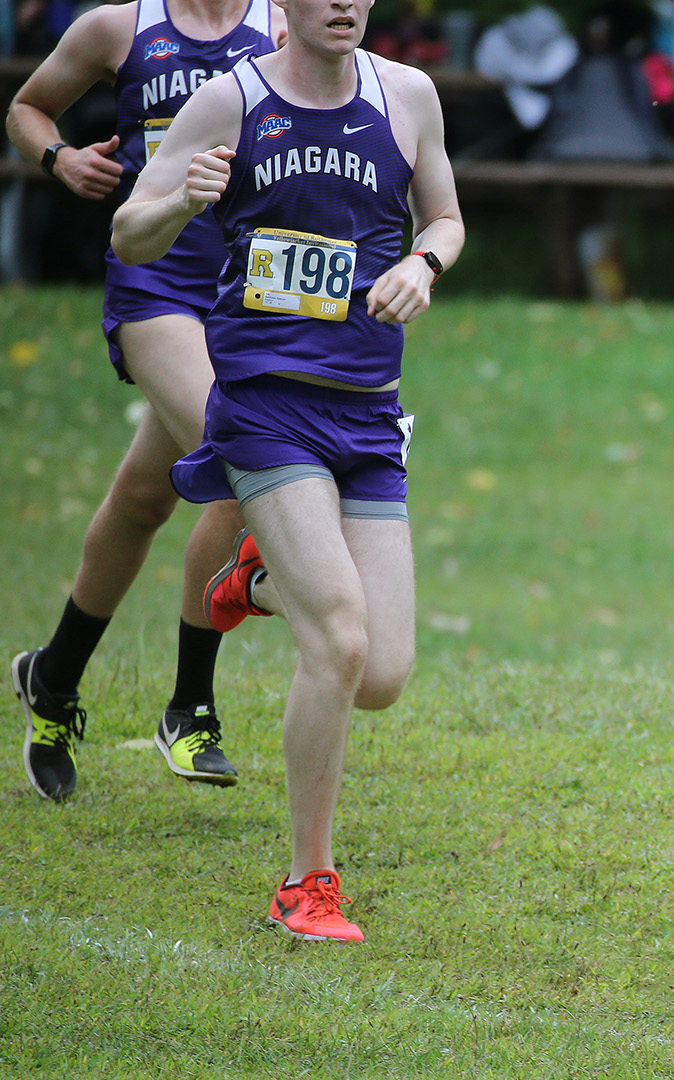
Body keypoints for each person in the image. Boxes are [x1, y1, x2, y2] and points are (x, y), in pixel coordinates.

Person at [112, 0, 463, 942]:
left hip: (367, 414)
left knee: (381, 673)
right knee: (340, 641)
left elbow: (447, 217)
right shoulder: (232, 101)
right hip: (266, 410)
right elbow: (127, 234)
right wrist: (181, 199)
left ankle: (257, 580)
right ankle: (307, 884)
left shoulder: (409, 95)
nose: (344, 3)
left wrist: (425, 263)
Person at [6, 0, 281, 800]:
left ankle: (52, 677)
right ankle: (189, 708)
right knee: (240, 448)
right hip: (156, 285)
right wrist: (56, 157)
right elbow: (26, 107)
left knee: (141, 501)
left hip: (247, 293)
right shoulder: (117, 27)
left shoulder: (281, 24)